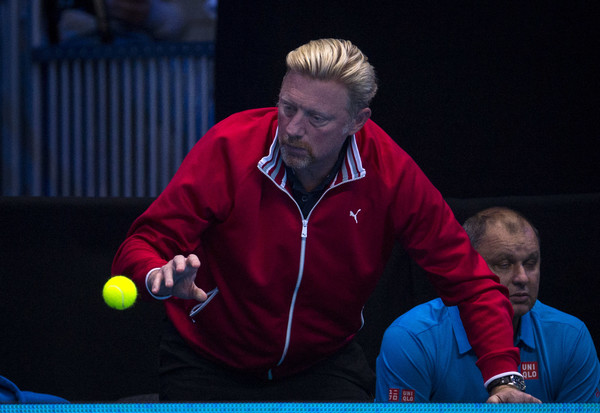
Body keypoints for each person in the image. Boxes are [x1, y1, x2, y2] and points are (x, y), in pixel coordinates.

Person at [112, 38, 539, 402]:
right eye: (287, 107)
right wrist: (154, 276)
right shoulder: (230, 146)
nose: (293, 129)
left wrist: (503, 375)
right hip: (207, 359)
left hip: (323, 364)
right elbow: (143, 243)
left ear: (357, 121)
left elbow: (470, 280)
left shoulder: (390, 174)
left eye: (316, 117)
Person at [375, 207, 600, 403]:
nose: (522, 277)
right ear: (469, 267)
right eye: (504, 264)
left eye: (531, 263)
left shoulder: (571, 337)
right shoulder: (412, 338)